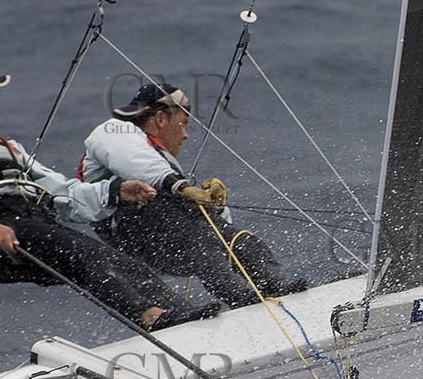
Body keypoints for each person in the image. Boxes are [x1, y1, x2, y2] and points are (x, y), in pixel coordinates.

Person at [0, 65, 219, 330]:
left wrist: (115, 191)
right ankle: (151, 317)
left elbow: (63, 194)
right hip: (2, 232)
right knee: (91, 260)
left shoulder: (9, 148)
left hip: (35, 224)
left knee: (124, 265)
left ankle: (182, 318)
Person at [81, 81, 308, 307]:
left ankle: (278, 287)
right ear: (160, 118)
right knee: (199, 239)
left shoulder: (161, 161)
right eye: (183, 123)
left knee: (239, 240)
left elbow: (210, 225)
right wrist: (180, 186)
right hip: (137, 235)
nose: (186, 134)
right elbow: (132, 159)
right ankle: (242, 301)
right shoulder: (113, 130)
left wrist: (213, 204)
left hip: (176, 241)